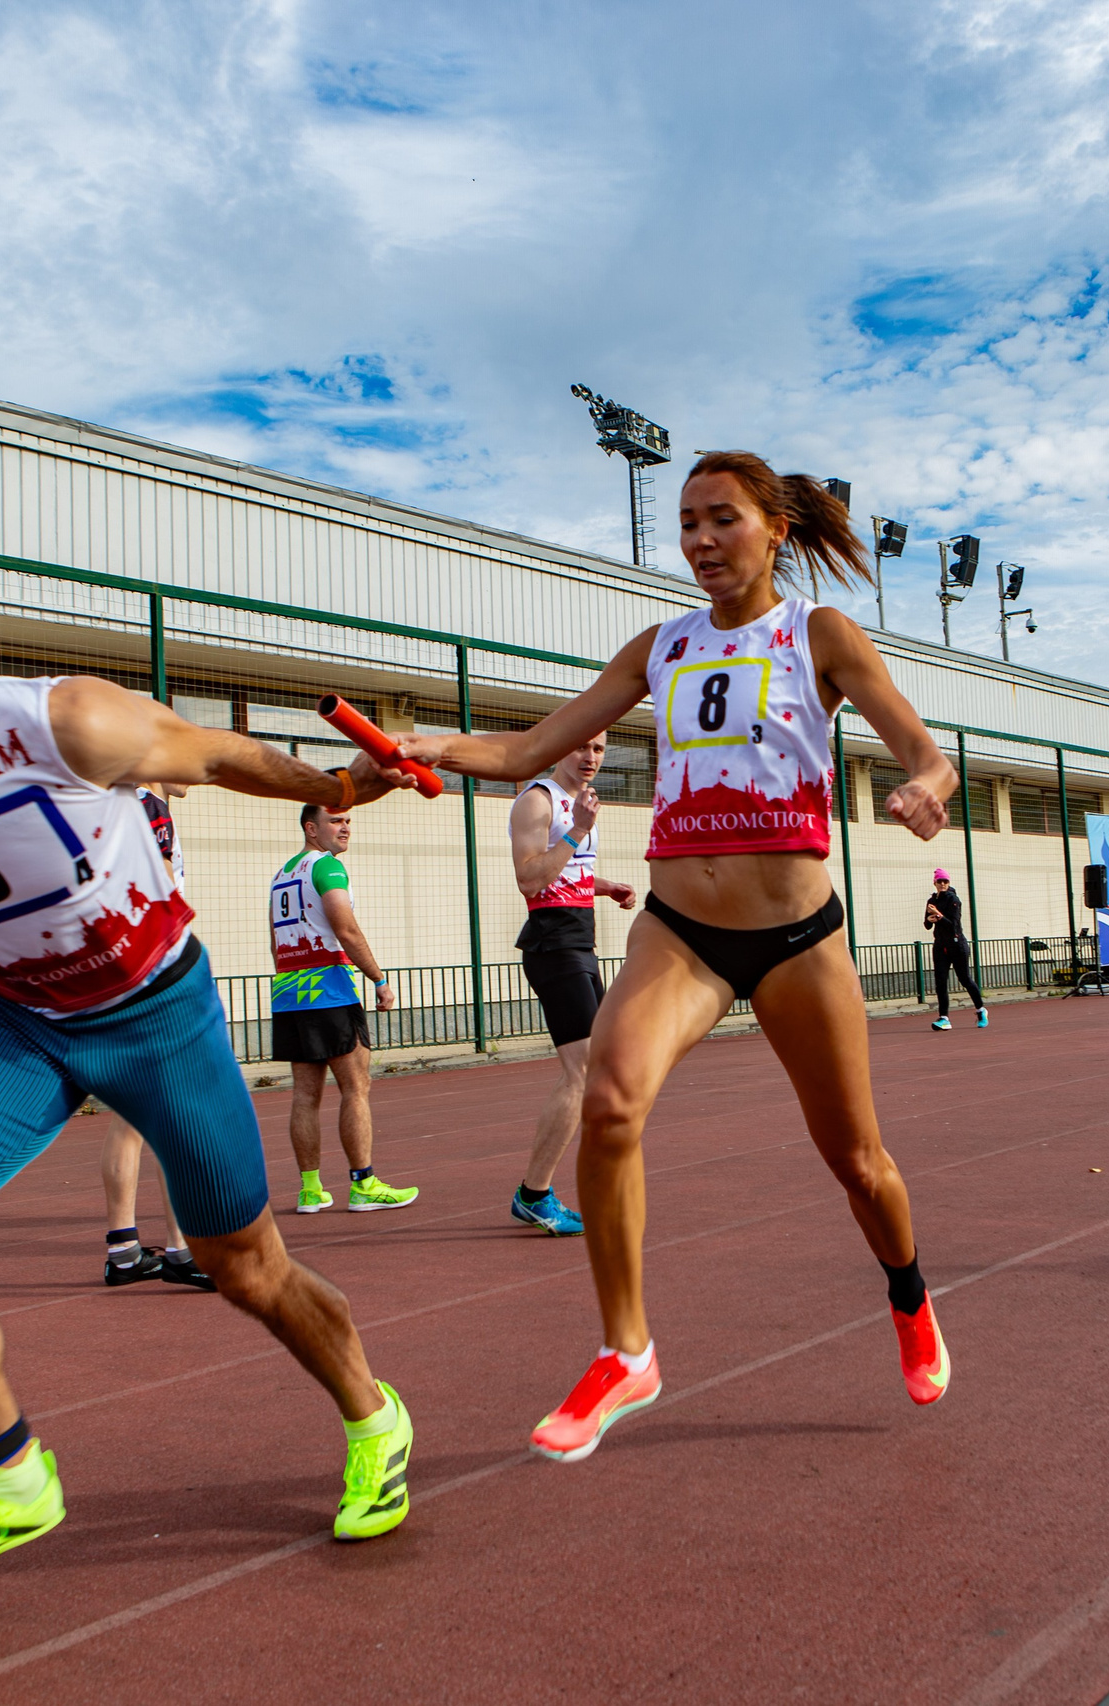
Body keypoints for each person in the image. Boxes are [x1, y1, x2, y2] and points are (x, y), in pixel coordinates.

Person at [0, 566, 418, 1612]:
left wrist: (330, 789)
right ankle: (11, 1476)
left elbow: (217, 752)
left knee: (246, 1271)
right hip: (21, 1023)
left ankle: (374, 1418)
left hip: (158, 1015)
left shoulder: (62, 724)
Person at [395, 450, 958, 1464]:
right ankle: (627, 1350)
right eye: (687, 523)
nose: (700, 541)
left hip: (797, 938)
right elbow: (528, 749)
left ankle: (909, 1296)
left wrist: (927, 786)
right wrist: (432, 745)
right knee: (608, 1101)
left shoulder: (815, 633)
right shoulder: (660, 646)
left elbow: (927, 751)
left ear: (775, 527)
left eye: (721, 519)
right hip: (680, 929)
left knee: (857, 1163)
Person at [505, 732, 637, 1235]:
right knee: (582, 1072)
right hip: (552, 946)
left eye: (600, 749)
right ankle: (534, 1194)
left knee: (597, 1070)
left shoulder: (576, 803)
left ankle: (556, 1188)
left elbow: (567, 873)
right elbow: (530, 878)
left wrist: (605, 887)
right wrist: (578, 831)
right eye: (581, 746)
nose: (590, 757)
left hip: (578, 943)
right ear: (561, 748)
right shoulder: (537, 801)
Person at [270, 803, 417, 1214]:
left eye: (348, 820)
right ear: (311, 828)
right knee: (355, 1088)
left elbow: (274, 942)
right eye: (336, 821)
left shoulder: (281, 875)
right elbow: (346, 928)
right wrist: (380, 980)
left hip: (288, 990)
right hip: (330, 989)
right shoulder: (327, 868)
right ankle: (364, 1184)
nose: (346, 828)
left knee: (305, 1095)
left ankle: (311, 1190)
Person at [100, 783, 214, 1290]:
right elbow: (162, 889)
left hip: (111, 969)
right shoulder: (150, 806)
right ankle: (182, 1250)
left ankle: (123, 1251)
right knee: (179, 1113)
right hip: (152, 969)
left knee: (128, 1120)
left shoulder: (105, 800)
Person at [924, 869, 985, 1030]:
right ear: (935, 883)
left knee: (965, 979)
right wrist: (930, 919)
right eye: (939, 881)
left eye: (945, 881)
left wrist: (938, 915)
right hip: (940, 946)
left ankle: (980, 1010)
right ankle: (944, 1018)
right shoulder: (931, 900)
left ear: (949, 883)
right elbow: (927, 924)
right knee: (940, 983)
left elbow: (953, 926)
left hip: (957, 945)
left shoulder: (954, 900)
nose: (942, 884)